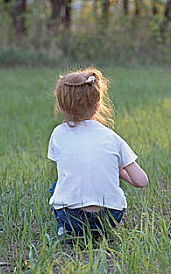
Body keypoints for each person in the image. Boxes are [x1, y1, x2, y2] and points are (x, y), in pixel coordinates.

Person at [47, 67, 148, 239]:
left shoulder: (58, 134)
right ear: (98, 104)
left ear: (61, 106)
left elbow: (72, 169)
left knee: (56, 187)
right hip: (109, 218)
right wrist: (119, 172)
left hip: (72, 218)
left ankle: (66, 230)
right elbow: (141, 181)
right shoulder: (112, 138)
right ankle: (103, 232)